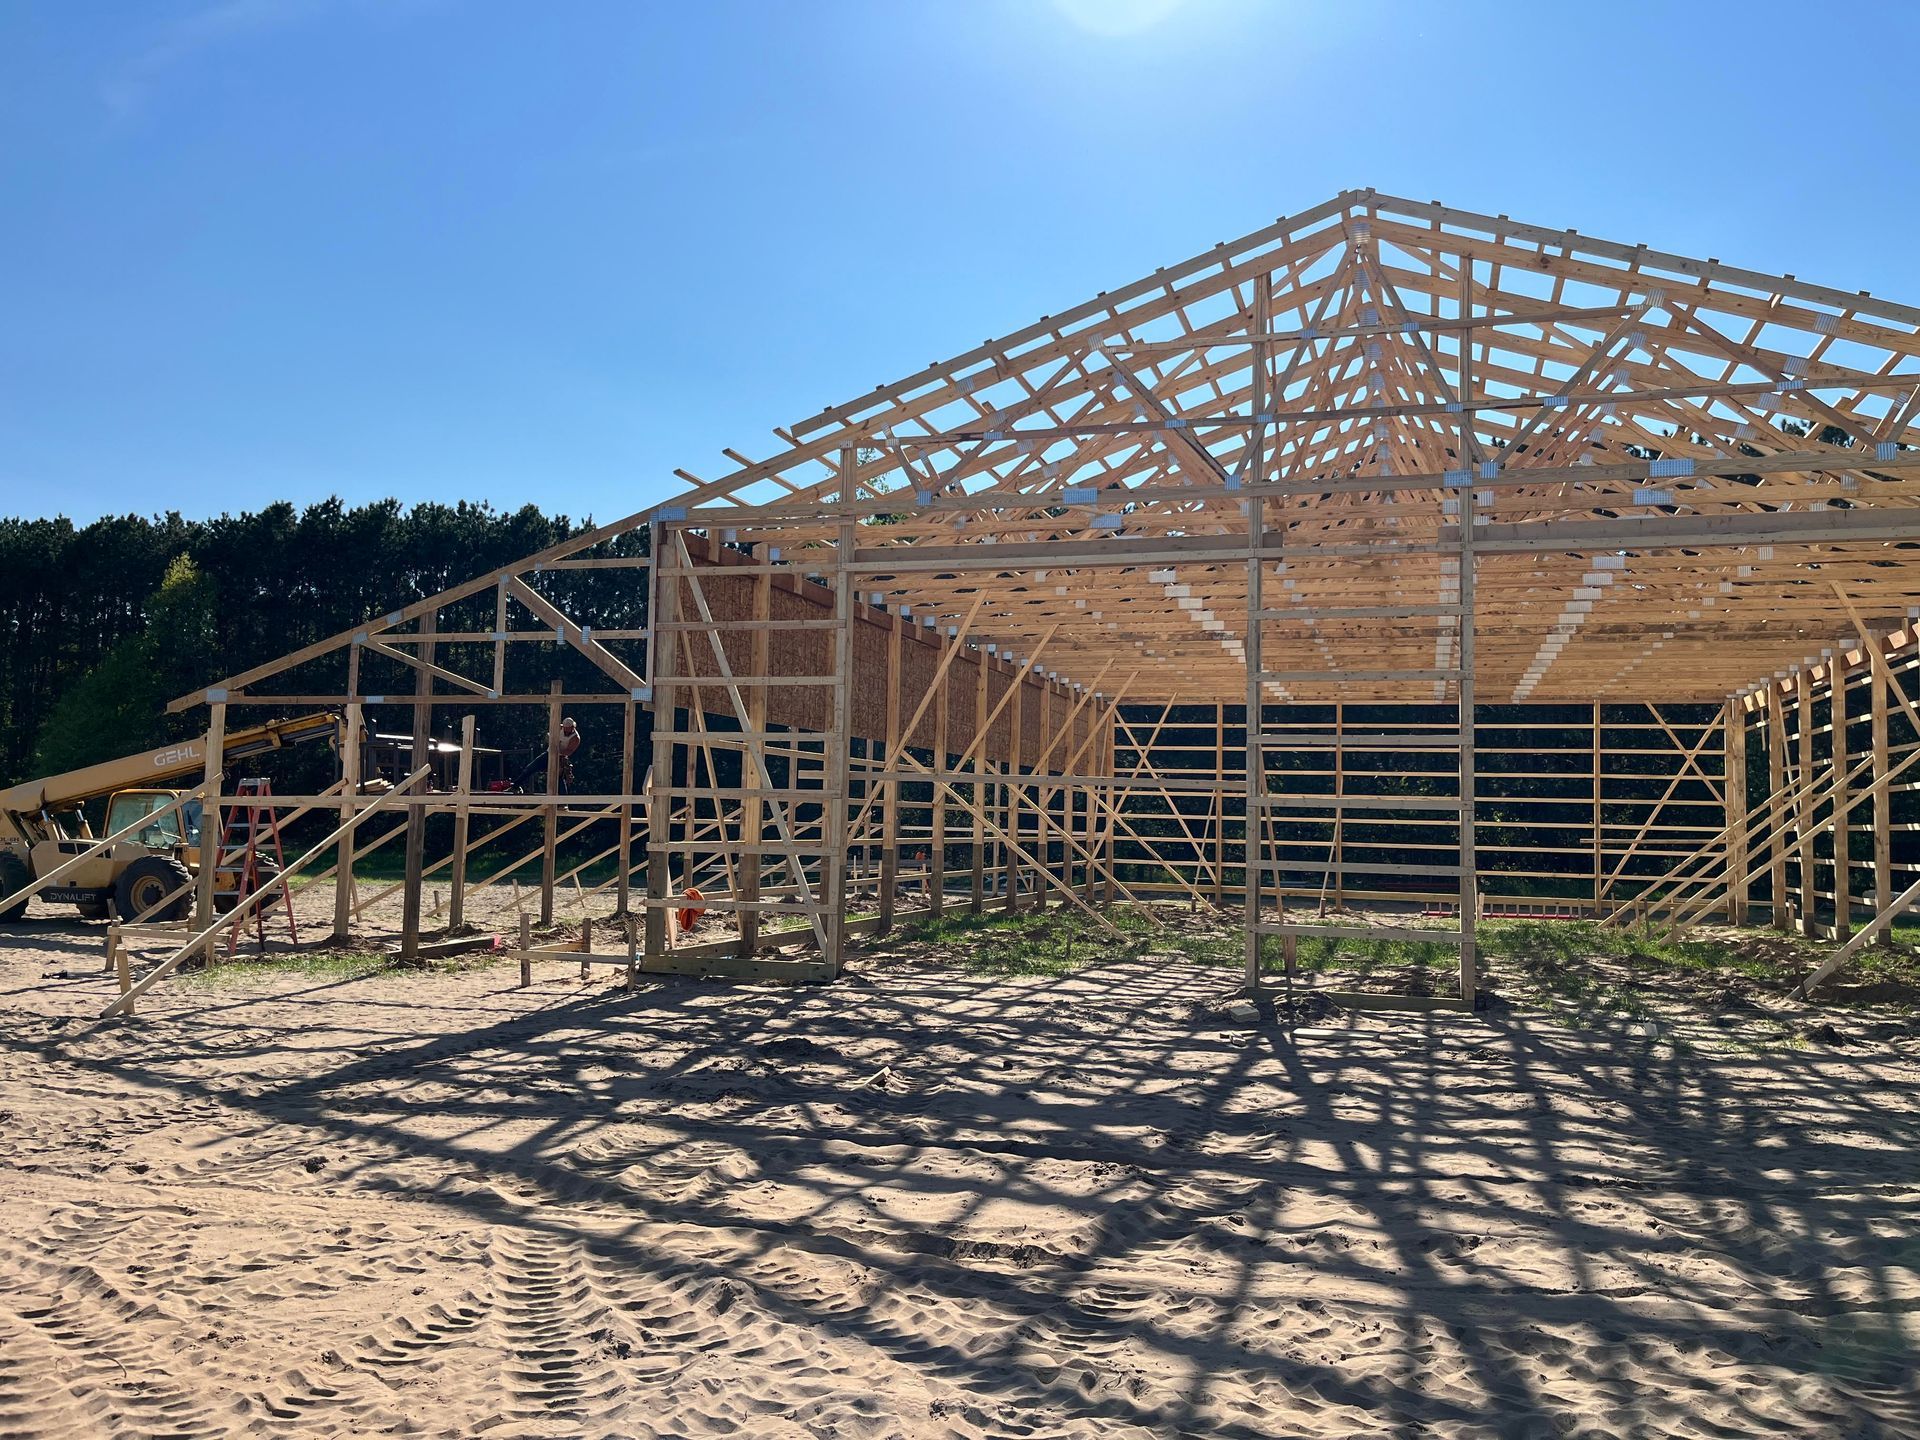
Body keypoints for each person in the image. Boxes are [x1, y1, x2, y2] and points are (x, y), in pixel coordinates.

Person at [512, 716, 581, 792]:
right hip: (549, 753)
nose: (566, 731)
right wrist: (551, 740)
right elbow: (548, 735)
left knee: (558, 778)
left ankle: (563, 802)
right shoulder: (558, 728)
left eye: (568, 729)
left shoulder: (575, 738)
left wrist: (557, 749)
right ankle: (515, 786)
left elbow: (569, 751)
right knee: (530, 768)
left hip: (560, 758)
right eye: (565, 729)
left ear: (572, 727)